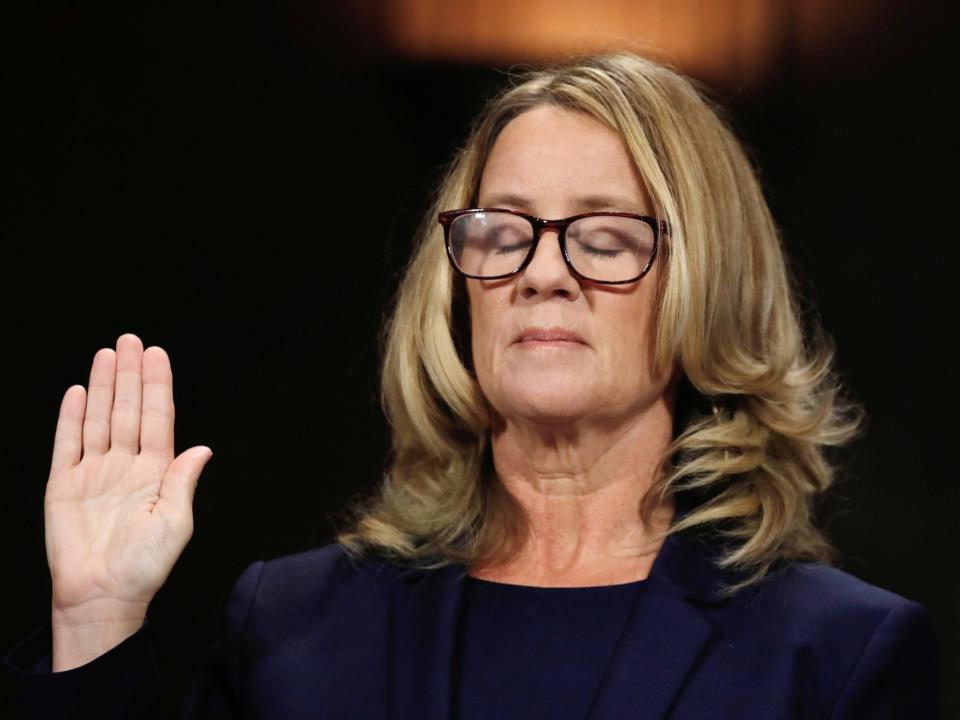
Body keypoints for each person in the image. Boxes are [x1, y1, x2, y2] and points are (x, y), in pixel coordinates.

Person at [4, 51, 940, 719]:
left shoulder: (839, 654)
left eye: (605, 237)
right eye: (504, 231)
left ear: (709, 283)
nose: (543, 272)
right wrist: (95, 622)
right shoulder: (289, 624)